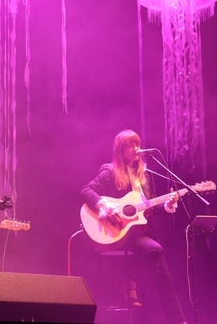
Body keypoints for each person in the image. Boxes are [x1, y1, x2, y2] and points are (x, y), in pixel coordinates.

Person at [80, 129, 187, 324]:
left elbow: (150, 207)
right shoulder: (110, 170)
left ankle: (139, 292)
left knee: (159, 261)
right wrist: (104, 205)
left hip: (138, 234)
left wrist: (167, 205)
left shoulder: (146, 176)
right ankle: (135, 288)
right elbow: (87, 190)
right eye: (131, 145)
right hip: (116, 232)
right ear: (121, 150)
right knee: (155, 251)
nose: (136, 148)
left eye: (137, 144)